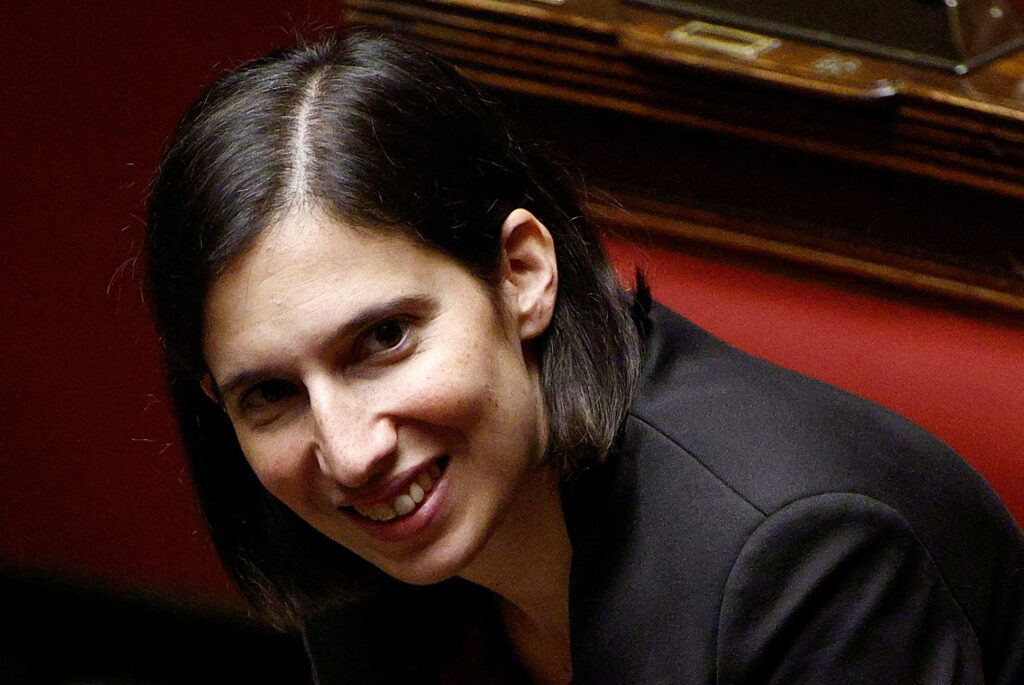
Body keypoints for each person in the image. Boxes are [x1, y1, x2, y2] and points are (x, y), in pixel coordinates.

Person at [146, 31, 1024, 684]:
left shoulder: (804, 562)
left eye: (384, 340)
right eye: (269, 393)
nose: (347, 449)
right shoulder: (367, 565)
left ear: (523, 274)